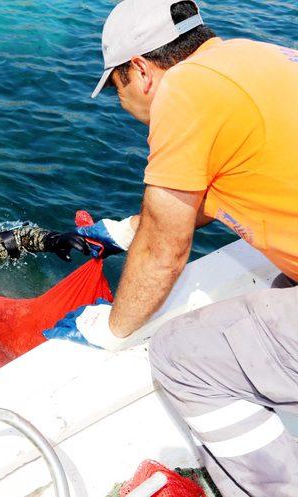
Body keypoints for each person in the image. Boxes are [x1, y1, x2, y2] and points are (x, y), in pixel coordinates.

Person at [44, 0, 298, 494]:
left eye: (115, 86)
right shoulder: (263, 55)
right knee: (276, 284)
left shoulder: (184, 91)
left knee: (181, 354)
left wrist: (111, 329)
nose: (123, 105)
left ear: (139, 70)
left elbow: (166, 249)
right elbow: (225, 177)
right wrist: (124, 231)